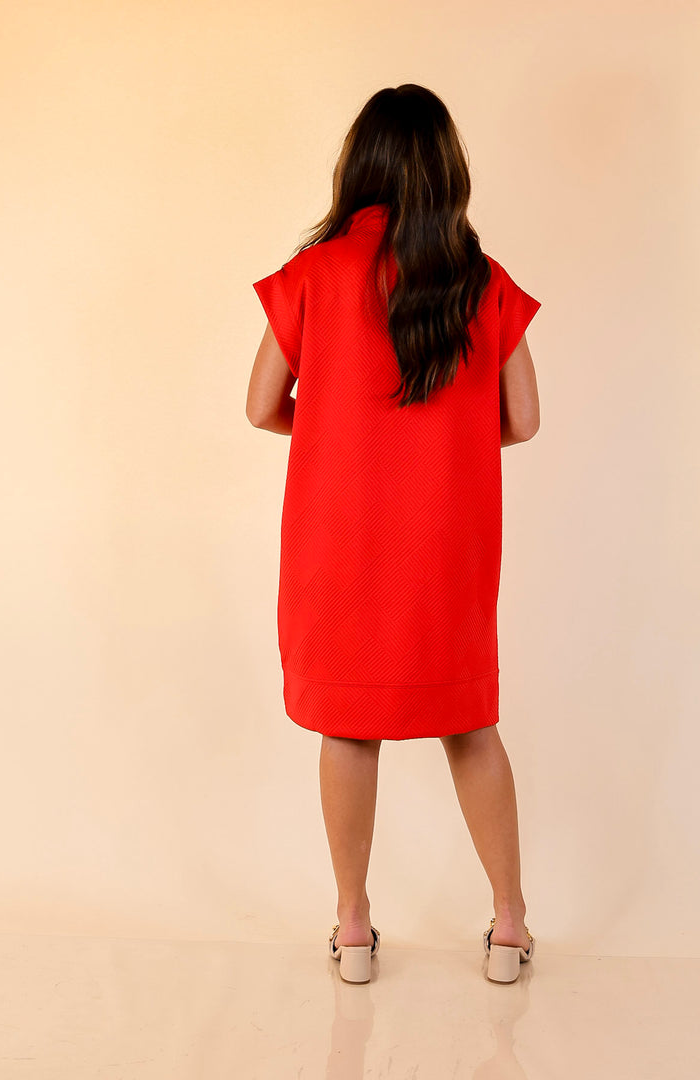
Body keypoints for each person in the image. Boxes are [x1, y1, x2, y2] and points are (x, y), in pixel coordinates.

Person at [246, 84, 540, 984]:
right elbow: (522, 421)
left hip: (340, 545)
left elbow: (262, 408)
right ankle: (507, 928)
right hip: (445, 548)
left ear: (358, 164)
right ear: (448, 171)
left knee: (348, 726)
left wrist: (342, 424)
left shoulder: (313, 276)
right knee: (471, 726)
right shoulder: (480, 279)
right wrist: (440, 439)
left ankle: (355, 930)